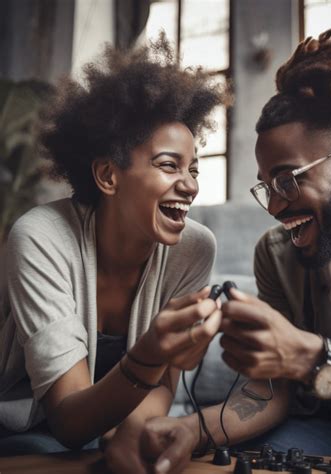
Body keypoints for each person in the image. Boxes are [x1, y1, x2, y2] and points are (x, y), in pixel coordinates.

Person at [109, 29, 331, 474]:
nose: (276, 206)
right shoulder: (278, 255)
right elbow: (268, 391)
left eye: (287, 180)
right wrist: (194, 429)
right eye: (266, 187)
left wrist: (309, 354)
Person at [0, 35, 230, 460]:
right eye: (169, 165)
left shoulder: (194, 248)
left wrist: (130, 437)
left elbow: (162, 387)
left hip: (102, 431)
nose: (191, 185)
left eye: (194, 169)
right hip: (24, 428)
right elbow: (67, 422)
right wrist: (151, 352)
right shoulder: (40, 237)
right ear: (108, 175)